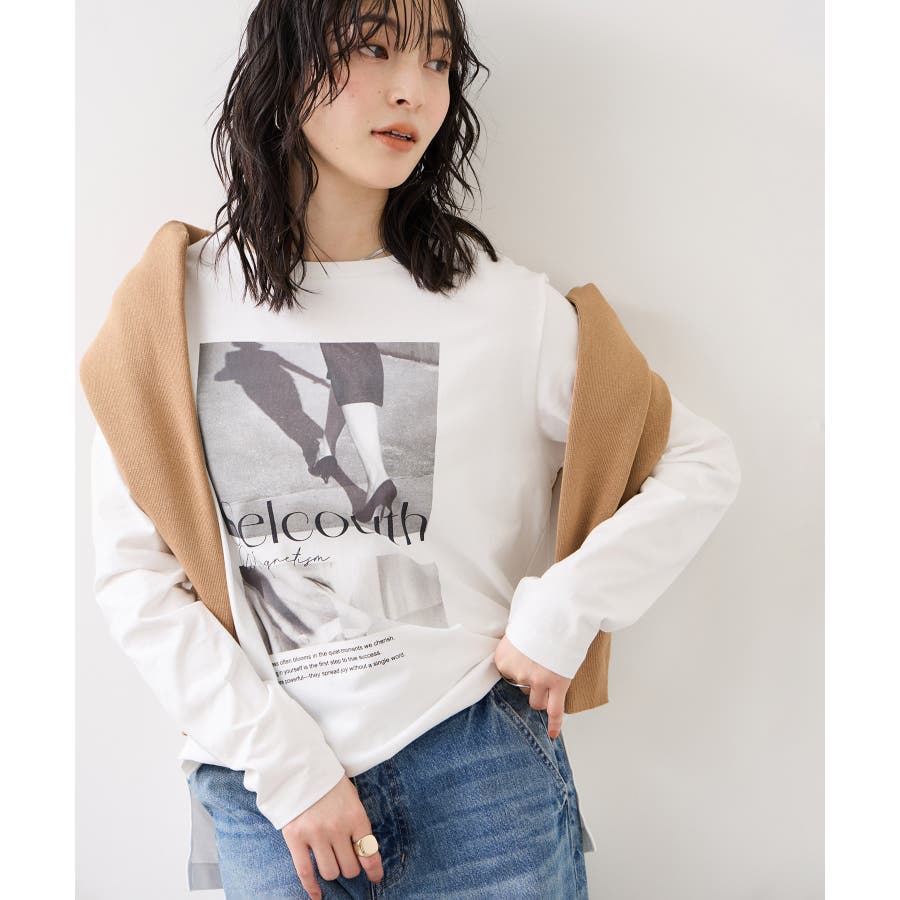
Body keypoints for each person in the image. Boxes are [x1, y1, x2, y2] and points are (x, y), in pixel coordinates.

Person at [84, 0, 742, 897]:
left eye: (436, 61)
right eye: (373, 47)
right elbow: (137, 578)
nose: (413, 91)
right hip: (270, 794)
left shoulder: (504, 310)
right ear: (286, 62)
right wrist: (288, 768)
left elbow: (698, 463)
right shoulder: (172, 313)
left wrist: (566, 611)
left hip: (478, 768)